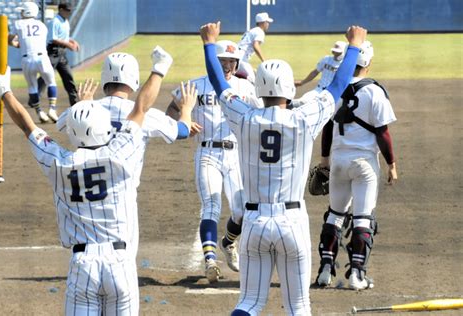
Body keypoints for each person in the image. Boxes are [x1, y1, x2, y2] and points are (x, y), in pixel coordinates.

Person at [0, 46, 195, 315]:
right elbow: (140, 108)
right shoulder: (121, 155)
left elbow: (29, 126)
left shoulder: (59, 162)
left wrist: (3, 91)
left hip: (82, 263)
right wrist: (158, 68)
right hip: (121, 261)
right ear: (107, 130)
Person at [200, 21, 367, 315]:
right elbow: (338, 85)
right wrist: (353, 46)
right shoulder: (304, 118)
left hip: (253, 223)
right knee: (298, 306)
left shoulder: (244, 117)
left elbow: (220, 85)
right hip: (292, 222)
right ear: (290, 87)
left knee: (249, 303)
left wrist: (209, 44)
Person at [57, 50, 193, 257]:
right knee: (122, 261)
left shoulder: (90, 108)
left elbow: (61, 123)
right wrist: (187, 110)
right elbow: (182, 131)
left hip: (86, 198)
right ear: (134, 78)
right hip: (122, 199)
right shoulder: (142, 113)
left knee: (87, 256)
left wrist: (83, 104)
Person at [166, 40, 262, 283]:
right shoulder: (195, 86)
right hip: (207, 153)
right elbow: (172, 111)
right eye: (222, 61)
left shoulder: (245, 86)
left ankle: (228, 243)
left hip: (236, 156)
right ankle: (210, 260)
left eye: (231, 61)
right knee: (211, 205)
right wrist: (184, 123)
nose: (227, 66)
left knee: (241, 210)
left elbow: (263, 114)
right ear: (213, 62)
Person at [315, 40, 398, 290]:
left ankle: (325, 271)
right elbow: (383, 133)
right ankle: (357, 276)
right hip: (364, 164)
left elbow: (328, 127)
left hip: (338, 161)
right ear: (369, 63)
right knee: (363, 218)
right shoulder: (374, 91)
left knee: (335, 214)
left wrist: (325, 159)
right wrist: (392, 164)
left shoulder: (336, 88)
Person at [9, 1, 59, 123]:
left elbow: (9, 40)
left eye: (22, 11)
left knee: (32, 87)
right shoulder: (42, 25)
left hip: (27, 59)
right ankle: (52, 109)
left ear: (27, 11)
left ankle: (39, 112)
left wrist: (15, 44)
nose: (21, 13)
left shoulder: (18, 23)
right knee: (51, 82)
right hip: (43, 57)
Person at [37, 2, 79, 106]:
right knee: (46, 75)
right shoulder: (54, 21)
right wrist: (68, 45)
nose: (69, 12)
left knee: (68, 76)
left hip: (62, 53)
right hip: (53, 52)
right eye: (67, 10)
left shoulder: (65, 21)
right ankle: (34, 97)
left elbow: (63, 37)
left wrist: (72, 41)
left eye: (70, 10)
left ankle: (74, 101)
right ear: (60, 10)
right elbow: (53, 39)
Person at [236, 12, 273, 83]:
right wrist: (264, 60)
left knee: (251, 74)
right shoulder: (260, 31)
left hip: (237, 57)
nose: (268, 24)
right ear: (263, 22)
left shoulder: (253, 30)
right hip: (241, 59)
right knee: (253, 80)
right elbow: (256, 45)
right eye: (267, 22)